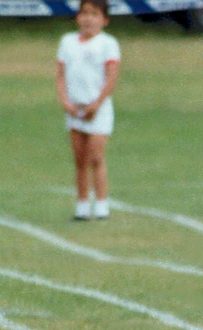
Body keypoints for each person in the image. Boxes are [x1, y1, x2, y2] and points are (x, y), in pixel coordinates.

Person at [56, 0, 120, 221]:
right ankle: (82, 203)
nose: (88, 19)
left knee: (96, 156)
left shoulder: (108, 44)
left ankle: (101, 203)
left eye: (94, 14)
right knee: (79, 158)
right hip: (75, 107)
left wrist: (96, 104)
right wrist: (65, 101)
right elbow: (61, 75)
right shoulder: (67, 42)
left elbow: (111, 77)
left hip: (98, 108)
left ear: (104, 20)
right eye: (84, 13)